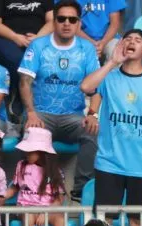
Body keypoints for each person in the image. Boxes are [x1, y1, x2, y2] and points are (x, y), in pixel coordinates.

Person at [81, 30, 142, 226]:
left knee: (137, 219)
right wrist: (112, 62)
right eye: (128, 39)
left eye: (137, 40)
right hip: (109, 161)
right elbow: (86, 86)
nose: (132, 42)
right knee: (104, 219)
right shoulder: (109, 75)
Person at [19, 0, 100, 199]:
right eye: (62, 19)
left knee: (93, 131)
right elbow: (24, 82)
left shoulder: (87, 48)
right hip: (41, 114)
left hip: (73, 117)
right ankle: (33, 190)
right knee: (31, 132)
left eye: (72, 19)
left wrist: (92, 114)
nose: (66, 23)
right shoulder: (39, 45)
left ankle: (80, 189)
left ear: (79, 23)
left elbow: (97, 87)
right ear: (54, 21)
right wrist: (31, 113)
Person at [8, 126, 67, 226]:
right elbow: (14, 188)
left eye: (30, 151)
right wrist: (0, 196)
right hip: (26, 208)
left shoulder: (55, 171)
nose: (27, 153)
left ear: (42, 152)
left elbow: (59, 199)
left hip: (49, 210)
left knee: (61, 220)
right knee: (28, 216)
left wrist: (46, 213)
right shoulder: (21, 165)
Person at [0, 0, 53, 72]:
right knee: (18, 60)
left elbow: (52, 21)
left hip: (39, 39)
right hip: (9, 39)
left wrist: (37, 38)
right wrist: (15, 37)